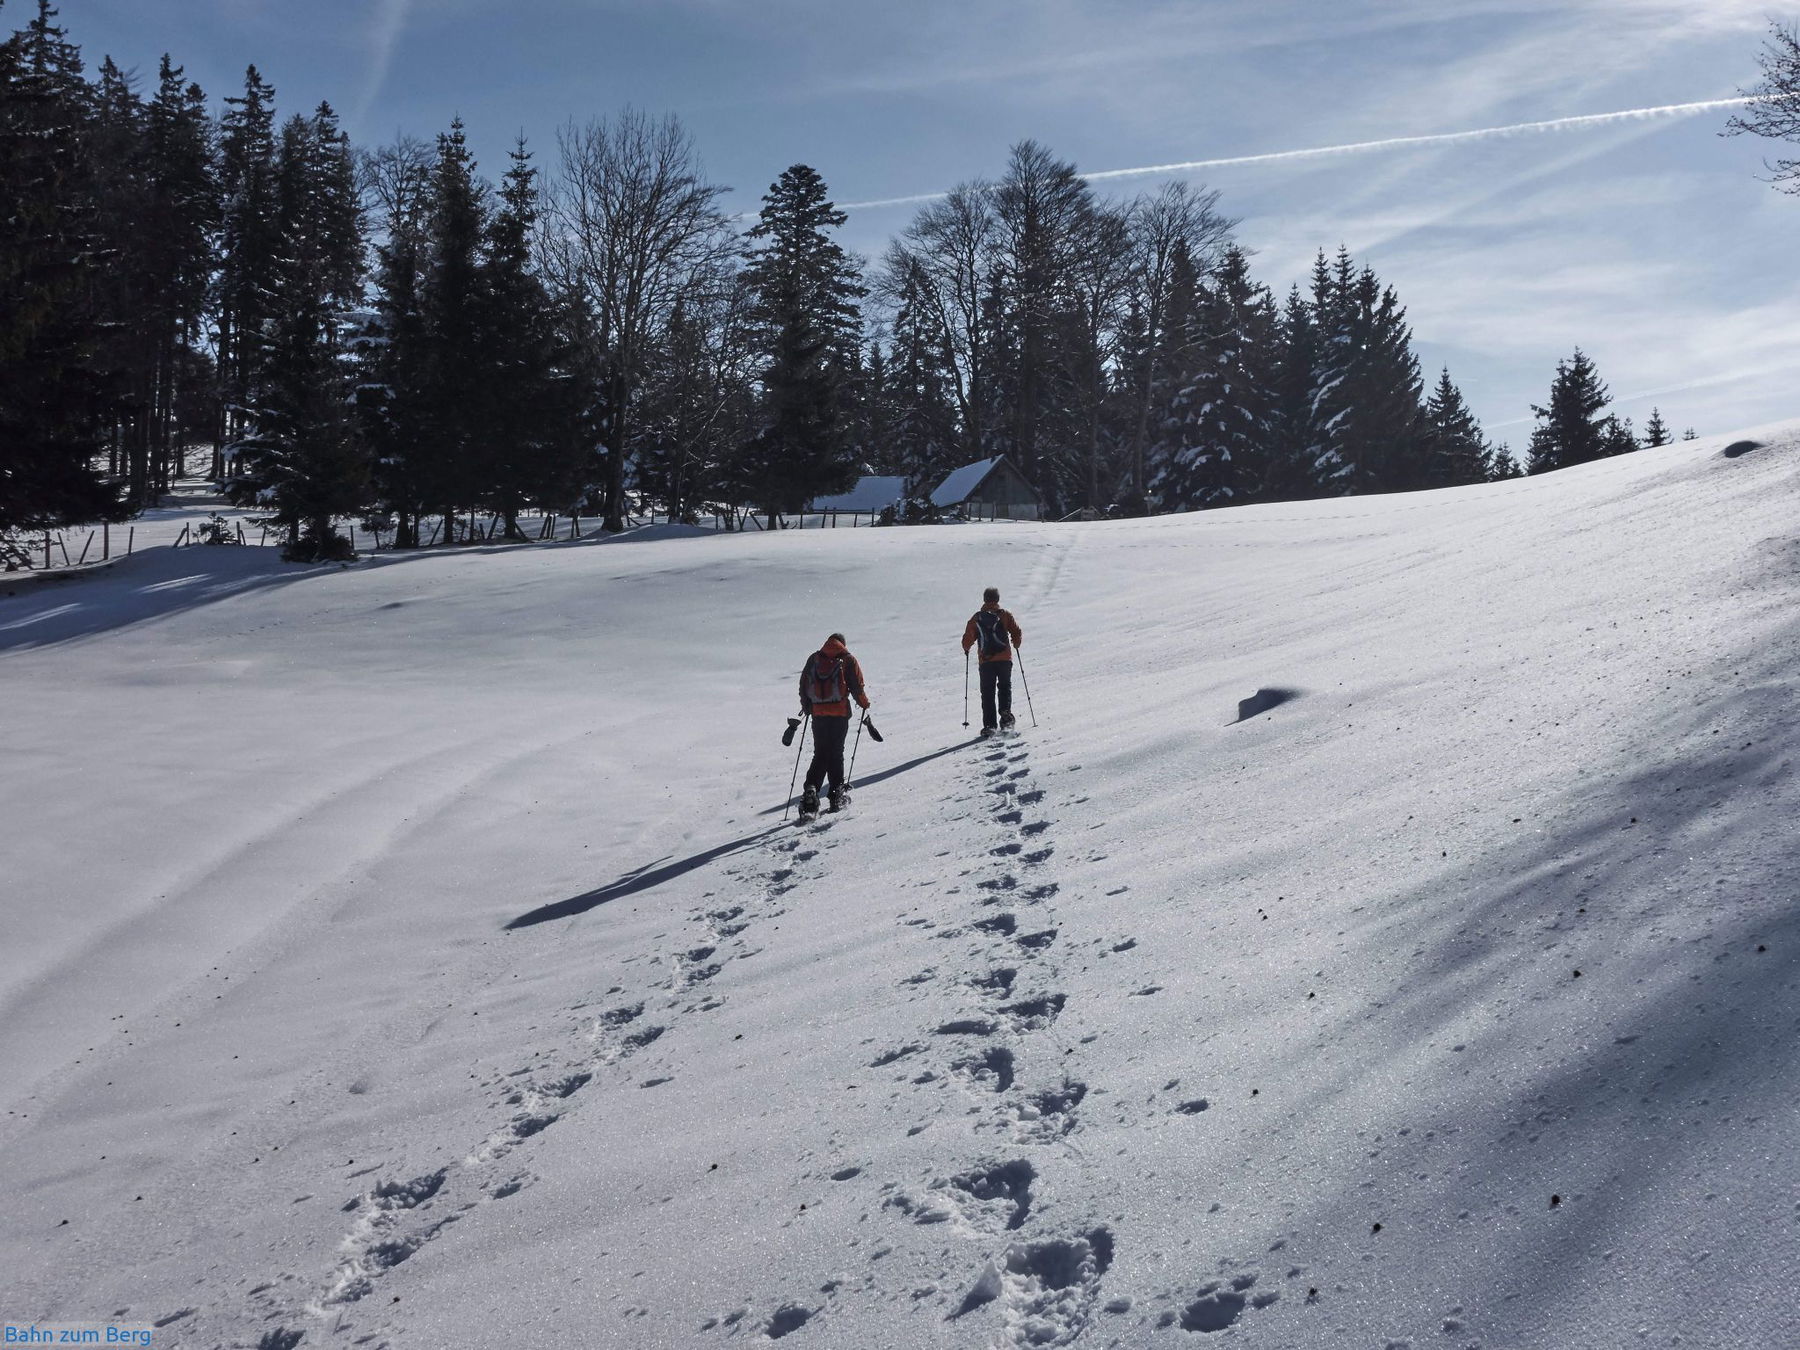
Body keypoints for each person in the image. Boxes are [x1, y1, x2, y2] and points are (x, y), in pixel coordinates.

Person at [797, 632, 870, 815]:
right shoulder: (848, 660)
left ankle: (811, 790)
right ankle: (837, 794)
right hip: (839, 715)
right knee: (836, 753)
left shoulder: (814, 659)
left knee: (820, 753)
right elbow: (856, 686)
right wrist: (864, 704)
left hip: (818, 715)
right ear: (843, 644)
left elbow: (803, 686)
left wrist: (808, 708)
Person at [961, 587, 1023, 737]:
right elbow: (1016, 631)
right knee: (1004, 687)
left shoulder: (977, 618)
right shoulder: (1005, 615)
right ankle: (1006, 715)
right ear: (997, 599)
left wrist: (966, 648)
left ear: (984, 599)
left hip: (986, 661)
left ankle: (989, 725)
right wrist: (1016, 643)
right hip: (1004, 659)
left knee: (987, 692)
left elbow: (967, 638)